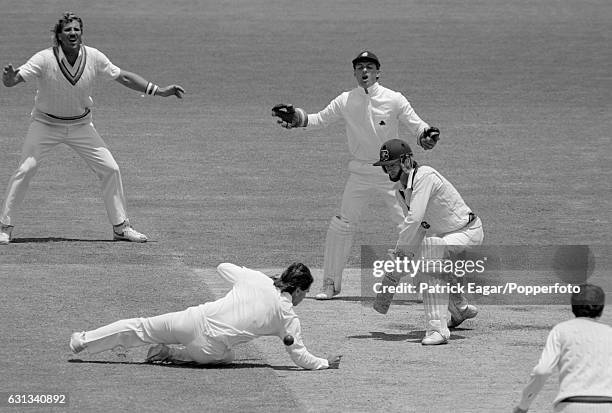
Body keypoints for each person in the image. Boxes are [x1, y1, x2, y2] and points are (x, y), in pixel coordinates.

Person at [0, 12, 185, 244]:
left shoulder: (94, 57)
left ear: (81, 33)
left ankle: (121, 227)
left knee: (111, 168)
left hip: (81, 126)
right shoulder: (44, 58)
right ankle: (5, 227)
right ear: (59, 35)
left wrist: (159, 90)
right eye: (67, 30)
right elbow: (14, 80)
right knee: (25, 170)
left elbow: (124, 77)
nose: (73, 33)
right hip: (45, 124)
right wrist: (8, 78)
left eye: (77, 29)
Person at [271, 50, 441, 300]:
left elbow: (418, 125)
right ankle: (330, 284)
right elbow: (318, 119)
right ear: (354, 72)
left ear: (378, 72)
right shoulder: (345, 100)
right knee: (341, 225)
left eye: (369, 67)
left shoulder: (394, 99)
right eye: (360, 67)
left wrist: (427, 135)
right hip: (359, 173)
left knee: (410, 227)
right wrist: (296, 117)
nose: (364, 71)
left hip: (392, 175)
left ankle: (423, 282)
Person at [69, 262, 342, 370]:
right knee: (228, 357)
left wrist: (256, 279)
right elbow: (299, 356)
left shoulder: (256, 279)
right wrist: (326, 363)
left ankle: (82, 340)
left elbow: (223, 267)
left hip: (191, 319)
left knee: (139, 327)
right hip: (208, 348)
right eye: (305, 292)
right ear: (298, 290)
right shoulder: (288, 317)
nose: (304, 297)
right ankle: (173, 354)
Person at [372, 139, 483, 345]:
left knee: (431, 254)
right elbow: (419, 226)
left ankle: (438, 331)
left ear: (406, 161)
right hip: (441, 236)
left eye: (392, 165)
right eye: (385, 167)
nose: (388, 171)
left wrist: (399, 252)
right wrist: (402, 256)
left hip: (467, 231)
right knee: (421, 271)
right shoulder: (401, 190)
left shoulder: (425, 176)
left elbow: (414, 219)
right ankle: (458, 309)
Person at [513, 284, 612, 413]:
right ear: (601, 308)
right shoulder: (609, 332)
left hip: (570, 404)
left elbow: (542, 371)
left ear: (573, 306)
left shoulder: (561, 330)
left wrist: (523, 405)